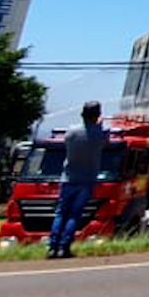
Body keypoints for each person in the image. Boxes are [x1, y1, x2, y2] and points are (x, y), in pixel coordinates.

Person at [47, 101, 105, 259]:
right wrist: (99, 125)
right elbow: (104, 141)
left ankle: (52, 246)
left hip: (68, 177)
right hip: (87, 179)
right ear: (97, 115)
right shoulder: (100, 133)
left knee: (60, 213)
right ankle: (65, 247)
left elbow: (67, 142)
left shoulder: (72, 132)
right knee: (74, 214)